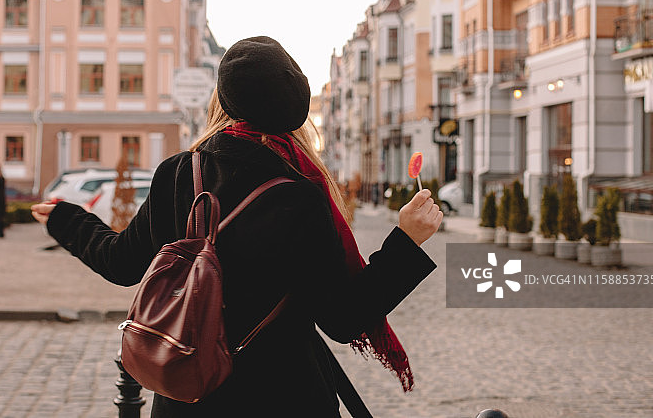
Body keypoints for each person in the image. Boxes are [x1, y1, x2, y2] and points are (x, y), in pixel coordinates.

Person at [31, 36, 442, 417]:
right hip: (285, 398)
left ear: (222, 100)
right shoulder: (300, 195)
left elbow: (119, 262)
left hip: (188, 395)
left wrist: (67, 219)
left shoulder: (176, 173)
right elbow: (343, 319)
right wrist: (406, 242)